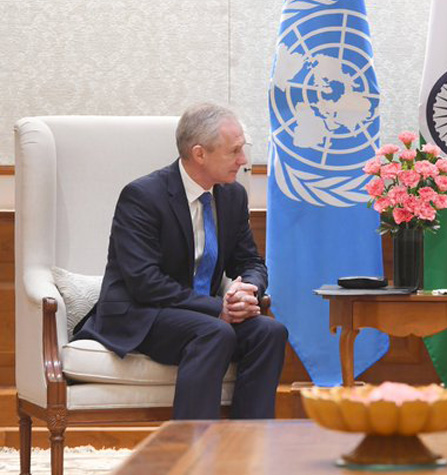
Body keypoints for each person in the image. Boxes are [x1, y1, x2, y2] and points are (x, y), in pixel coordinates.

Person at [74, 102, 288, 419]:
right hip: (142, 314)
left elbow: (250, 262)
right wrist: (218, 308)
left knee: (270, 332)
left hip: (201, 314)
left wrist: (248, 291)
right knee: (214, 331)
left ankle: (247, 441)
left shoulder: (232, 195)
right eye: (234, 151)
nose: (243, 160)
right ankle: (193, 444)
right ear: (199, 154)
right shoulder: (143, 196)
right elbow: (145, 282)